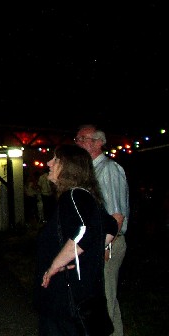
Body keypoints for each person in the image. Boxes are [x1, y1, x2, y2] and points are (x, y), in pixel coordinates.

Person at [36, 144, 118, 336]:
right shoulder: (84, 195)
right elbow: (109, 226)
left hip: (67, 295)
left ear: (68, 167)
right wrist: (88, 253)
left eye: (55, 160)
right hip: (73, 291)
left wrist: (56, 264)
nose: (48, 163)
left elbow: (86, 230)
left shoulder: (73, 195)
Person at [75, 125, 129, 336]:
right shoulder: (92, 170)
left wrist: (106, 244)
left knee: (106, 298)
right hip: (99, 241)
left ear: (98, 142)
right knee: (100, 298)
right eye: (77, 138)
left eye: (82, 138)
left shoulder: (108, 169)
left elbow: (116, 214)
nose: (77, 142)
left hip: (109, 242)